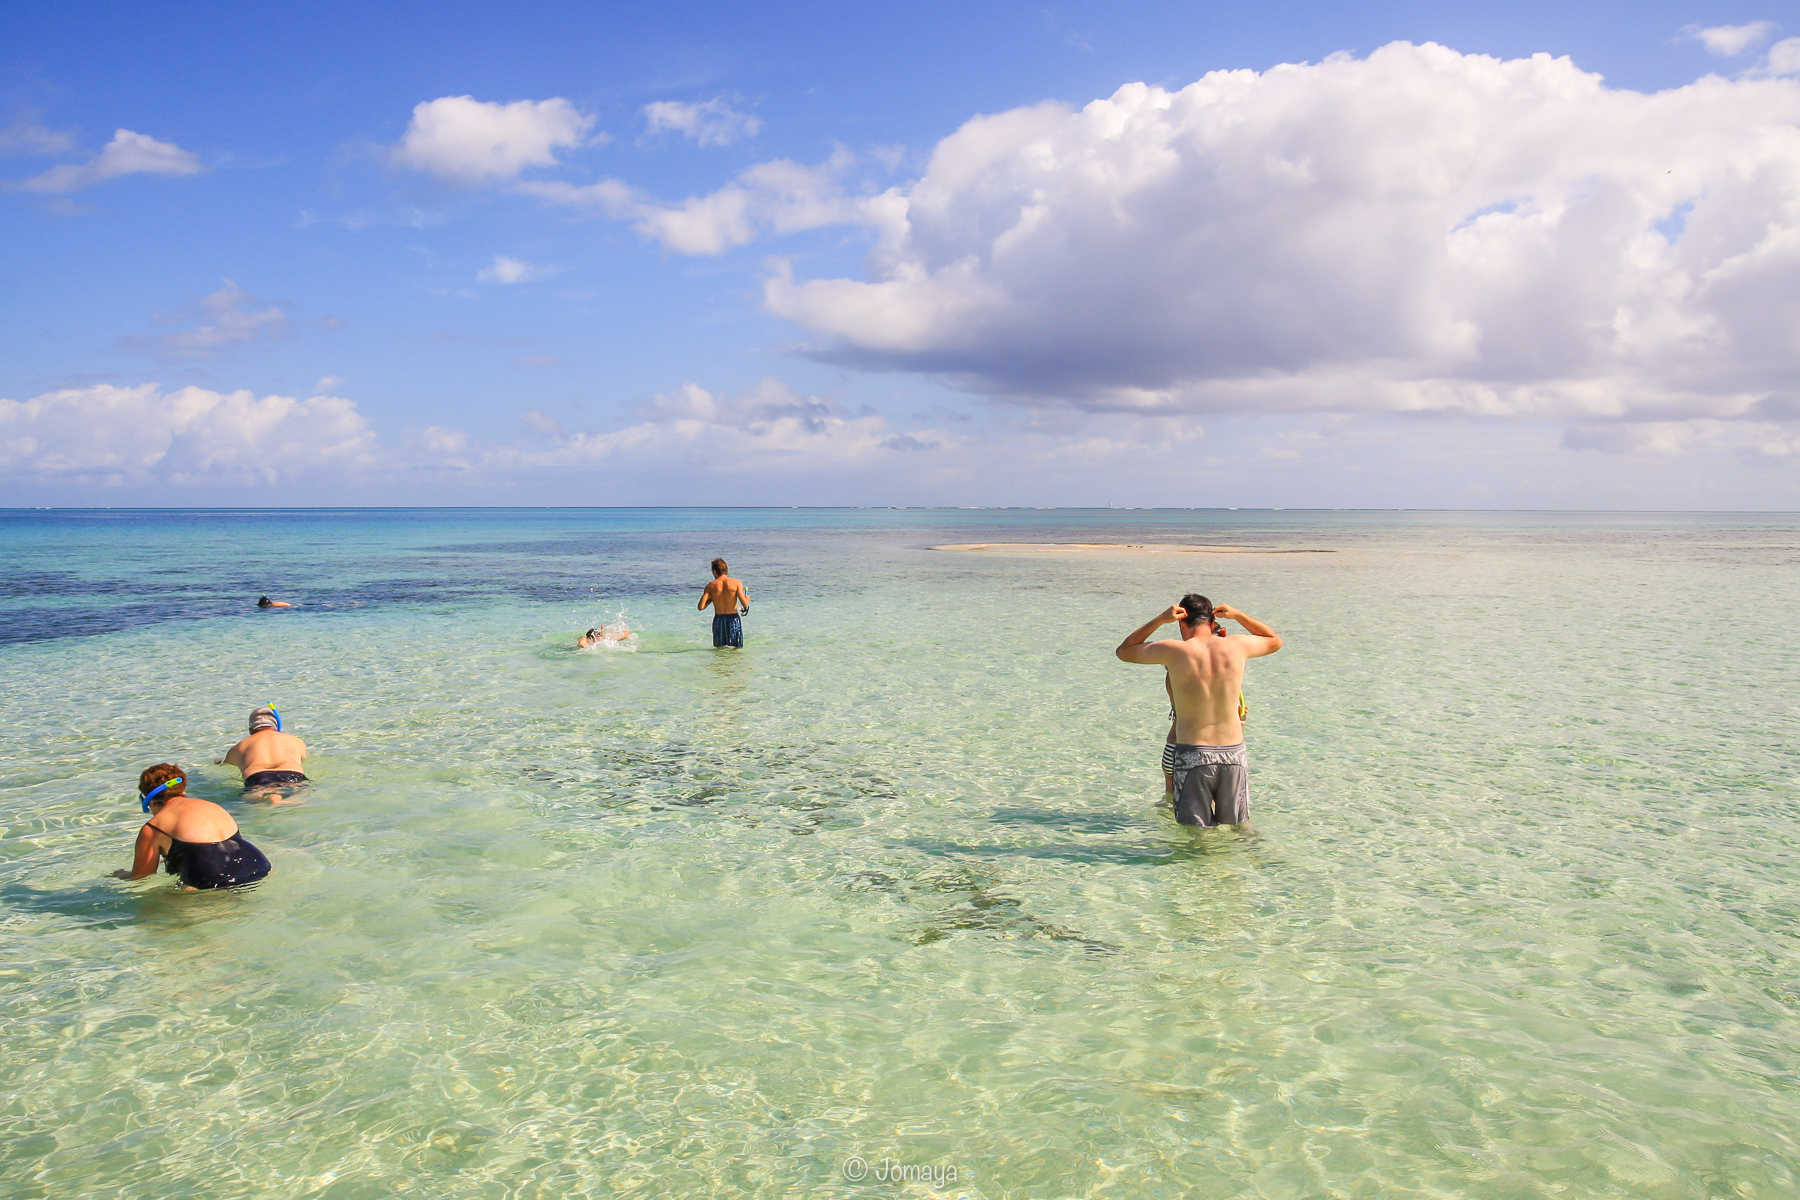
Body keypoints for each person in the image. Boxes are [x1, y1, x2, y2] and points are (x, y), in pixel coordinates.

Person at [1116, 594, 1282, 827]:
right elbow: (1274, 640)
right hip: (1233, 753)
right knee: (1237, 830)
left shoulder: (1173, 650)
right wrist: (1239, 615)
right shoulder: (1238, 644)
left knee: (1195, 837)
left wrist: (1159, 620)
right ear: (1213, 623)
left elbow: (1125, 651)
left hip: (1192, 754)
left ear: (1181, 622)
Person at [113, 763, 271, 889]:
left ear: (148, 800)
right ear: (182, 789)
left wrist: (119, 875)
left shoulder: (153, 828)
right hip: (257, 864)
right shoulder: (212, 806)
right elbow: (216, 851)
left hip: (212, 879)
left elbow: (141, 878)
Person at [218, 706, 309, 795]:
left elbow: (224, 763)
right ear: (276, 727)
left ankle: (273, 799)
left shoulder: (239, 747)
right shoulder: (296, 741)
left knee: (256, 799)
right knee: (295, 797)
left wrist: (218, 761)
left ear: (250, 731)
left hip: (258, 776)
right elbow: (303, 757)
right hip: (292, 774)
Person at [697, 557, 750, 648]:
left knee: (719, 648)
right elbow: (744, 603)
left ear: (714, 571)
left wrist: (712, 598)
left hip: (719, 619)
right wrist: (747, 597)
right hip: (733, 618)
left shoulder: (710, 586)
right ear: (726, 570)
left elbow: (701, 607)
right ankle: (734, 662)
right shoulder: (736, 583)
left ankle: (720, 662)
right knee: (736, 648)